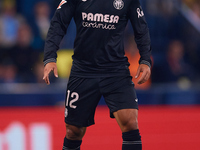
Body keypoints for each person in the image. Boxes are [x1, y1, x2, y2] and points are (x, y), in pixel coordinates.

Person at [43, 0, 152, 150]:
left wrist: (145, 59)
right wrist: (50, 58)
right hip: (83, 71)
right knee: (73, 131)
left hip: (116, 70)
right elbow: (58, 24)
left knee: (130, 122)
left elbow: (141, 28)